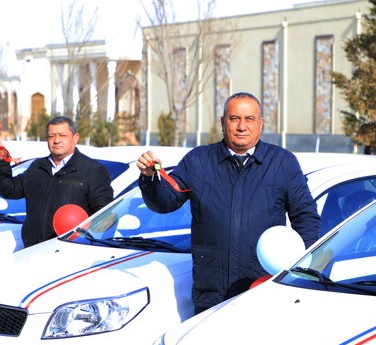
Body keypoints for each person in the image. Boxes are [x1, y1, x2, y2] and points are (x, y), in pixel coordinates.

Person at [137, 92, 320, 313]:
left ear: (260, 124)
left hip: (264, 291)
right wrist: (150, 178)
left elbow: (306, 218)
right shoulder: (199, 160)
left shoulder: (282, 163)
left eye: (249, 119)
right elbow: (165, 203)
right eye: (235, 119)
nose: (242, 126)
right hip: (211, 294)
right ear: (223, 122)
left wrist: (299, 271)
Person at [0, 116, 114, 247]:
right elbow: (9, 190)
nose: (57, 140)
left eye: (62, 135)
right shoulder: (38, 167)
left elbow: (104, 216)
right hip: (32, 247)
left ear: (75, 137)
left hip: (69, 249)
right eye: (51, 136)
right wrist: (1, 160)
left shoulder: (93, 170)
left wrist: (81, 237)